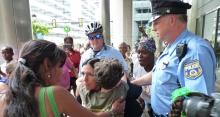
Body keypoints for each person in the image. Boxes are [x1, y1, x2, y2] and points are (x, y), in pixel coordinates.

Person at [131, 0, 216, 116]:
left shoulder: (195, 50)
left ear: (171, 20)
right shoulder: (172, 46)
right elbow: (159, 74)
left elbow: (198, 107)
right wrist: (133, 83)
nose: (153, 28)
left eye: (156, 22)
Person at [0, 40, 124, 117]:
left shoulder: (5, 98)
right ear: (47, 65)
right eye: (60, 66)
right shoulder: (55, 94)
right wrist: (113, 112)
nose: (62, 72)